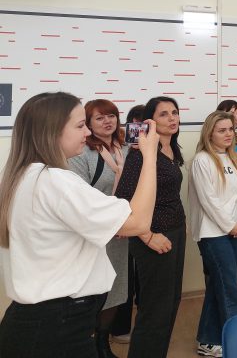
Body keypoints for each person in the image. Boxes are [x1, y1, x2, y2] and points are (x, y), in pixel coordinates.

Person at [0, 92, 157, 358]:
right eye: (80, 125)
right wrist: (150, 156)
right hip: (57, 325)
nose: (87, 132)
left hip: (43, 321)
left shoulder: (26, 175)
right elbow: (139, 222)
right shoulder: (56, 181)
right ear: (52, 131)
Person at [115, 96, 186, 358]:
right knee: (155, 310)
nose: (172, 118)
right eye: (164, 114)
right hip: (152, 237)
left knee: (171, 303)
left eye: (174, 112)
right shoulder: (141, 154)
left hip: (175, 232)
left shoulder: (171, 149)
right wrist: (148, 236)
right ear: (150, 122)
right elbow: (123, 201)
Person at [68, 99, 131, 358]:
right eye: (100, 118)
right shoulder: (83, 153)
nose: (107, 121)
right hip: (93, 235)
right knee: (92, 292)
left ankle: (103, 344)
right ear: (88, 124)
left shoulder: (125, 149)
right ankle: (88, 344)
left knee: (116, 290)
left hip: (121, 233)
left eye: (111, 116)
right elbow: (79, 197)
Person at [189, 111, 237, 357]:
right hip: (212, 233)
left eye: (230, 129)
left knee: (220, 285)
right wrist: (229, 226)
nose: (228, 134)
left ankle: (208, 340)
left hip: (234, 230)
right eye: (221, 130)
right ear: (209, 133)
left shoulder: (232, 157)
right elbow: (209, 201)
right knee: (231, 288)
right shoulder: (202, 160)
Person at [111, 104, 145, 345]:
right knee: (124, 279)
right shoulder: (121, 150)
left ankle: (144, 325)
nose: (139, 129)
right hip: (118, 223)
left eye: (144, 124)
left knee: (143, 278)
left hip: (144, 222)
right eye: (135, 124)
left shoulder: (155, 152)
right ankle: (119, 327)